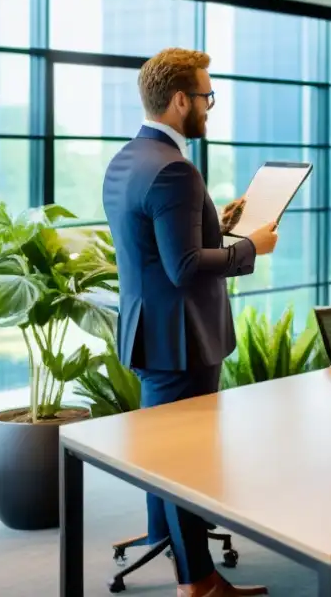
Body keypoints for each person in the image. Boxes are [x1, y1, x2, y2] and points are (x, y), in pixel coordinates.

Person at [103, 48, 279, 597]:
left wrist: (216, 221)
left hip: (148, 329)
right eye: (206, 96)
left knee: (163, 450)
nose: (210, 106)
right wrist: (250, 246)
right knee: (184, 458)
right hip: (182, 338)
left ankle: (173, 542)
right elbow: (182, 267)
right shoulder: (175, 169)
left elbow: (155, 244)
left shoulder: (129, 158)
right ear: (180, 100)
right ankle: (198, 583)